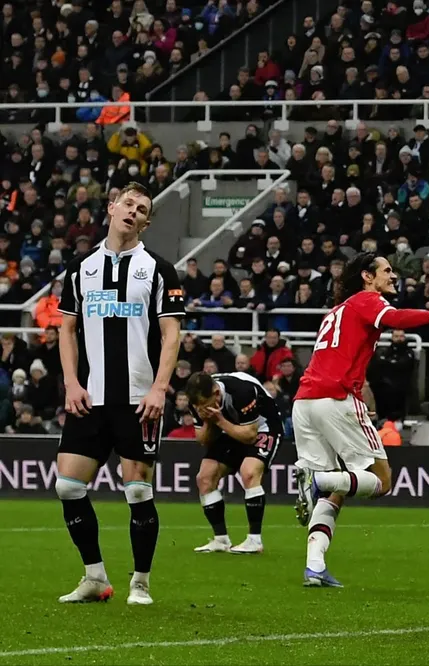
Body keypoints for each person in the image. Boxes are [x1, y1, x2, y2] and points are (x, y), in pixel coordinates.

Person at [292, 252, 429, 587]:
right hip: (336, 399)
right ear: (366, 276)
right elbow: (397, 319)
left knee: (340, 491)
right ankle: (317, 481)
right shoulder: (366, 300)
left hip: (305, 402)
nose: (393, 275)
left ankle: (314, 566)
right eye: (387, 270)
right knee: (382, 481)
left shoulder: (337, 311)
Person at [54, 182, 184, 605]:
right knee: (68, 487)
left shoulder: (159, 269)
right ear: (111, 207)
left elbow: (171, 334)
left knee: (137, 491)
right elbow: (67, 330)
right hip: (89, 396)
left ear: (146, 222)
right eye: (127, 203)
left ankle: (140, 582)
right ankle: (95, 577)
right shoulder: (80, 268)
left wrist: (160, 389)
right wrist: (71, 383)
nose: (132, 211)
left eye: (141, 208)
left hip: (138, 398)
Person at [186, 370, 284, 555]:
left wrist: (220, 421)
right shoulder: (198, 402)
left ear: (216, 394)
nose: (201, 409)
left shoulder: (241, 391)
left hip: (263, 426)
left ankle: (254, 540)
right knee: (204, 478)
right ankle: (220, 540)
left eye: (205, 406)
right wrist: (208, 421)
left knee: (249, 472)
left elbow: (249, 435)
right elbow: (203, 439)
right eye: (199, 407)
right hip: (228, 427)